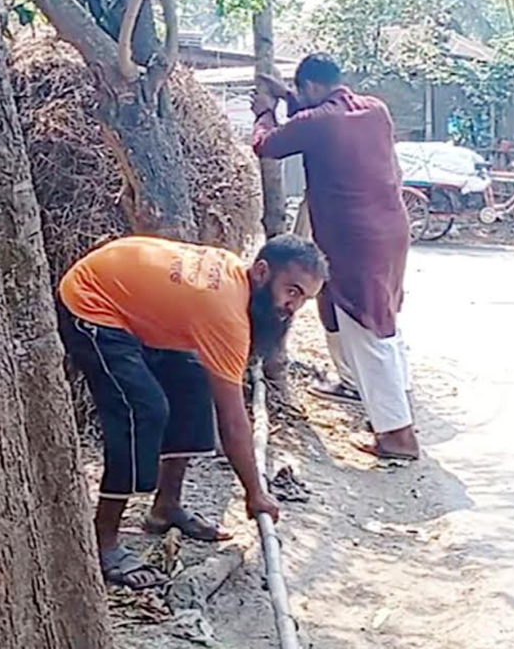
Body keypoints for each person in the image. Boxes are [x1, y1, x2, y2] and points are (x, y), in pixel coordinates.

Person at [57, 233, 327, 589]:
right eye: (291, 290)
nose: (293, 306)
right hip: (91, 300)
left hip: (127, 295)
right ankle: (104, 541)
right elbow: (233, 421)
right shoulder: (225, 312)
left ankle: (165, 507)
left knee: (193, 383)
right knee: (142, 411)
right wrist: (255, 492)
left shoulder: (237, 283)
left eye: (304, 298)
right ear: (261, 272)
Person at [252, 53, 418, 461]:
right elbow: (318, 117)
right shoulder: (374, 110)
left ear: (309, 87)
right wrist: (289, 96)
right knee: (360, 313)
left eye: (300, 92)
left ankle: (398, 435)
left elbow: (266, 145)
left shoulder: (317, 122)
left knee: (367, 324)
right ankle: (362, 387)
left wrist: (264, 111)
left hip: (353, 239)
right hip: (391, 229)